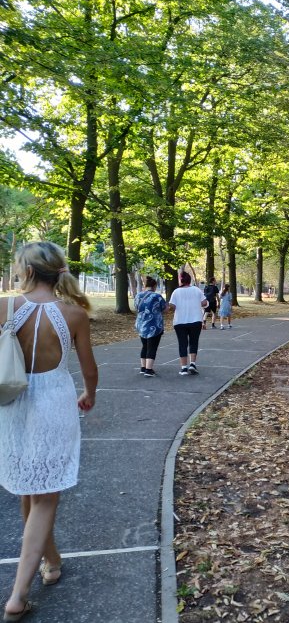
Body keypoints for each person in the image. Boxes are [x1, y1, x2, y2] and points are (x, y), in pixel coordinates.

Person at [0, 241, 98, 622]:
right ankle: (17, 595)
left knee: (31, 487)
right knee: (43, 496)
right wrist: (89, 394)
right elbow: (89, 368)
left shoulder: (5, 307)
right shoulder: (73, 314)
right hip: (54, 403)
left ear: (25, 270)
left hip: (13, 403)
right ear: (57, 271)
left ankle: (52, 561)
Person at [168, 272, 208, 376]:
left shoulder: (176, 292)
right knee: (193, 342)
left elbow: (171, 306)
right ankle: (193, 364)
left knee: (182, 343)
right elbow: (204, 303)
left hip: (180, 321)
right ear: (189, 280)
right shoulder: (196, 290)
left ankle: (184, 368)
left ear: (181, 280)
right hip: (195, 320)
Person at [134, 276, 168, 376]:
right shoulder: (157, 296)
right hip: (154, 325)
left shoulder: (138, 295)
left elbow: (136, 307)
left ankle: (143, 367)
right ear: (154, 286)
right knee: (152, 347)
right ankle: (149, 370)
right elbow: (165, 309)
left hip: (141, 324)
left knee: (144, 346)